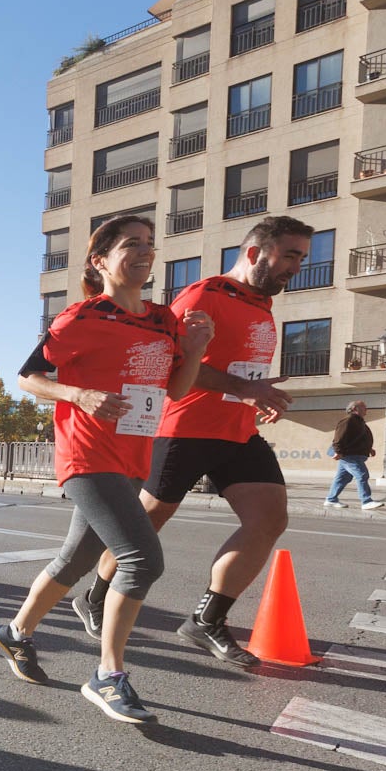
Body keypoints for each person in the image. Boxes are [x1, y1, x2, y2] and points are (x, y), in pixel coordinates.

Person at [0, 215, 212, 724]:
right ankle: (108, 675)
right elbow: (28, 377)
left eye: (150, 244)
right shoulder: (82, 316)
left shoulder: (164, 321)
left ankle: (14, 633)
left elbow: (176, 390)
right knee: (141, 560)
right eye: (132, 244)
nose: (145, 252)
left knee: (76, 559)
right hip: (87, 454)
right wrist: (79, 394)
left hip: (133, 455)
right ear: (100, 260)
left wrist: (196, 349)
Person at [74, 215, 308, 669]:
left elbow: (240, 371)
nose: (296, 267)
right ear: (255, 253)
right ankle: (95, 597)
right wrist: (243, 388)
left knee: (269, 518)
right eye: (289, 256)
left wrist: (258, 396)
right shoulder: (205, 295)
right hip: (182, 428)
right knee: (145, 524)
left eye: (301, 258)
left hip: (238, 431)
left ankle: (207, 620)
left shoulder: (262, 304)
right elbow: (168, 363)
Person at [325, 400, 381, 510]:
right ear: (355, 409)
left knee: (342, 478)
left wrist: (369, 449)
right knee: (362, 475)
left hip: (354, 455)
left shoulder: (359, 421)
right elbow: (338, 438)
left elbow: (359, 438)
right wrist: (338, 452)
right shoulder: (348, 420)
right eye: (363, 407)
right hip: (349, 455)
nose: (366, 409)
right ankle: (366, 501)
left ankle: (331, 499)